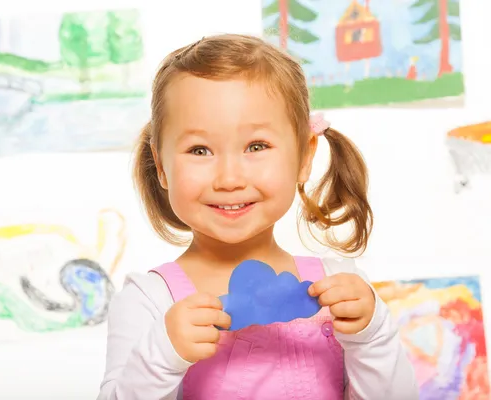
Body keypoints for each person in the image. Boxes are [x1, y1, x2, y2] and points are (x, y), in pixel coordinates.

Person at [98, 34, 418, 399]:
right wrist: (162, 355)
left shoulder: (338, 288)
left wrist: (372, 336)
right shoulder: (149, 300)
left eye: (257, 146)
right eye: (199, 150)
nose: (230, 179)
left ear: (304, 156)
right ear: (161, 166)